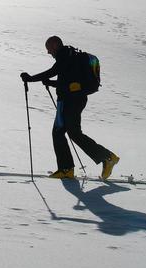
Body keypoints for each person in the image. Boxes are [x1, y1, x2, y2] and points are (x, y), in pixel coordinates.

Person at [21, 36, 120, 180]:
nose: (49, 52)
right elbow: (67, 81)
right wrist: (51, 83)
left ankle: (107, 158)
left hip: (72, 101)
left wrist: (30, 78)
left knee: (71, 133)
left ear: (55, 45)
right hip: (71, 100)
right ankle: (68, 169)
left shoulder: (65, 56)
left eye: (49, 49)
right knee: (62, 133)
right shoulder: (70, 56)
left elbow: (53, 71)